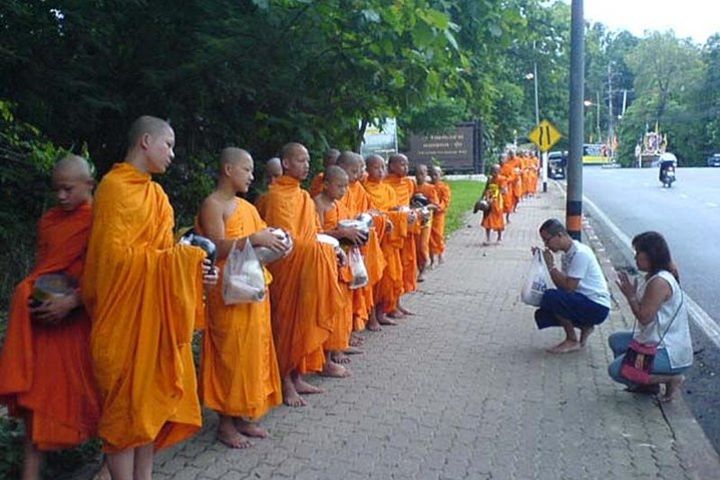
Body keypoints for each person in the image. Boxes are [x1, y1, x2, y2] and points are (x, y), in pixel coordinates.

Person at [82, 116, 218, 479]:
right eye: (168, 144)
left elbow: (164, 252)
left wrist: (193, 269)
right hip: (122, 318)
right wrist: (178, 261)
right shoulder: (113, 188)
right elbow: (113, 263)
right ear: (145, 141)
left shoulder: (156, 194)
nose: (173, 153)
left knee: (148, 413)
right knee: (124, 418)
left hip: (151, 317)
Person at [0, 155, 101, 480]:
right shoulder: (49, 221)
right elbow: (45, 268)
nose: (61, 197)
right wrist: (40, 298)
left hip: (80, 324)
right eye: (56, 190)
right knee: (37, 406)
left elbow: (104, 273)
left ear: (89, 185)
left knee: (93, 402)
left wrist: (72, 301)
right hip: (45, 325)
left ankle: (109, 471)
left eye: (68, 189)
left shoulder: (100, 221)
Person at [196, 148, 285, 449]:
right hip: (227, 291)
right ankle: (225, 423)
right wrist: (254, 239)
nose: (251, 175)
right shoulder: (213, 204)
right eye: (246, 170)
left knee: (252, 353)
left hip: (252, 286)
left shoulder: (246, 207)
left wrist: (278, 241)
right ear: (228, 169)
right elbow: (216, 247)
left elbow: (261, 239)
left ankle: (244, 414)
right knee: (230, 356)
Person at [256, 142, 344, 407]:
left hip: (307, 268)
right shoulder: (274, 198)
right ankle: (284, 382)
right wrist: (319, 248)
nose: (307, 165)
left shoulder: (305, 197)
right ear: (285, 163)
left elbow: (312, 233)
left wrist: (330, 248)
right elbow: (282, 241)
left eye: (308, 160)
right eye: (300, 160)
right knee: (284, 326)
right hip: (285, 271)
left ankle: (297, 376)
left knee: (304, 321)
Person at [609, 232, 692, 402]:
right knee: (616, 340)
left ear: (651, 255)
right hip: (654, 339)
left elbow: (644, 318)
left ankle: (671, 378)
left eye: (638, 252)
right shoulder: (652, 276)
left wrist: (631, 296)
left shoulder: (659, 282)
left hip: (668, 350)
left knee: (616, 370)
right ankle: (647, 384)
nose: (635, 256)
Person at [313, 165, 365, 372]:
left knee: (342, 307)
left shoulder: (337, 204)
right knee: (329, 308)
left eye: (345, 187)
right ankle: (325, 359)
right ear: (326, 185)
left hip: (341, 261)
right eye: (339, 186)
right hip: (326, 262)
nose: (344, 190)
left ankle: (337, 347)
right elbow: (316, 234)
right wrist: (341, 232)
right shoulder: (317, 204)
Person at [533, 218, 610, 353]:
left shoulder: (580, 253)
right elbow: (562, 286)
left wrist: (551, 265)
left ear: (560, 235)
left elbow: (569, 287)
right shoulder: (567, 255)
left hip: (597, 305)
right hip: (584, 300)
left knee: (551, 297)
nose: (546, 245)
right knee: (544, 309)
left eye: (547, 240)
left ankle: (572, 339)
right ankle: (585, 326)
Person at [336, 151, 386, 332]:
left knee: (364, 285)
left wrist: (379, 219)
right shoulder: (335, 188)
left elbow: (368, 210)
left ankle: (358, 325)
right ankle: (346, 334)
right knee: (348, 291)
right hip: (345, 245)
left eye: (360, 170)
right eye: (354, 170)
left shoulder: (357, 188)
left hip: (362, 243)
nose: (359, 174)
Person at [363, 155, 408, 326]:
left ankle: (383, 310)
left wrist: (401, 214)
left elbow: (393, 209)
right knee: (376, 277)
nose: (381, 171)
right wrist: (389, 217)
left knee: (391, 276)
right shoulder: (364, 189)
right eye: (376, 167)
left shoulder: (388, 189)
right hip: (375, 241)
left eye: (382, 167)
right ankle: (372, 315)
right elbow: (368, 214)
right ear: (367, 169)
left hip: (390, 240)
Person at [412, 164, 439, 282]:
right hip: (414, 220)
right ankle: (419, 268)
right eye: (418, 174)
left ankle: (424, 268)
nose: (420, 176)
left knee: (423, 245)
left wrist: (425, 206)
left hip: (426, 220)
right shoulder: (411, 187)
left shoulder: (430, 188)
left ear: (426, 174)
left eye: (423, 174)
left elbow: (435, 205)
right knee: (415, 247)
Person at [428, 165, 451, 267]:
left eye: (436, 175)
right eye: (432, 174)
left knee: (438, 236)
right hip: (429, 215)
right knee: (429, 238)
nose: (434, 177)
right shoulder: (428, 186)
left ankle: (440, 255)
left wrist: (439, 207)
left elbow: (446, 201)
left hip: (438, 216)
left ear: (440, 175)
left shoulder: (444, 187)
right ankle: (432, 259)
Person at [481, 164, 506, 245]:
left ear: (499, 171)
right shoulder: (490, 179)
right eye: (492, 171)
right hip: (488, 201)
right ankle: (487, 238)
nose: (493, 173)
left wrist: (496, 195)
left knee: (498, 219)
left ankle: (499, 237)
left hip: (497, 202)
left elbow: (504, 190)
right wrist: (482, 197)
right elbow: (486, 188)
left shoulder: (502, 179)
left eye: (495, 171)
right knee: (487, 218)